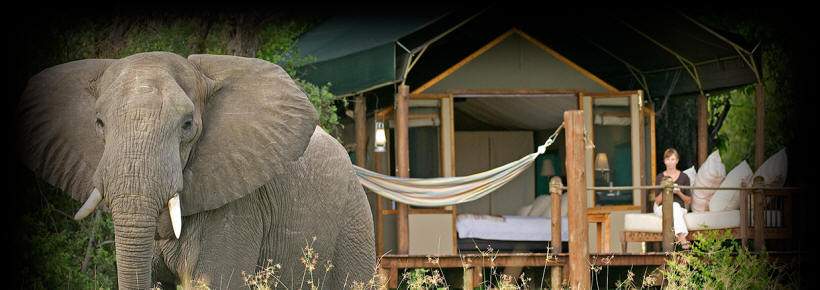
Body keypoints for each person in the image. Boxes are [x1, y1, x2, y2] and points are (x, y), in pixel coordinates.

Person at [653, 148, 692, 250]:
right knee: (672, 206)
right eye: (668, 159)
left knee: (675, 206)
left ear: (677, 161)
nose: (670, 162)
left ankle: (679, 236)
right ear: (664, 161)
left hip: (680, 209)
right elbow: (657, 201)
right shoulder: (659, 177)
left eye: (673, 159)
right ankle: (682, 238)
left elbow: (688, 201)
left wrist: (678, 192)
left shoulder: (684, 177)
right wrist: (666, 189)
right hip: (661, 208)